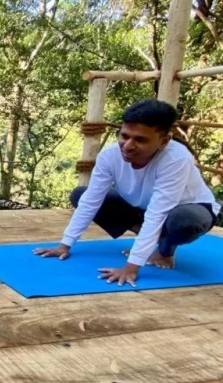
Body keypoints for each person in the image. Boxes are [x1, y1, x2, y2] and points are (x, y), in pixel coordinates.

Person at [34, 99, 221, 287]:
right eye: (124, 136)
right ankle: (147, 237)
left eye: (140, 139)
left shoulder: (177, 158)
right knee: (81, 194)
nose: (128, 145)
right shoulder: (110, 155)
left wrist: (131, 267)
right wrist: (64, 245)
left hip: (188, 211)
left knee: (183, 220)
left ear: (164, 141)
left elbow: (159, 212)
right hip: (142, 208)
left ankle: (165, 250)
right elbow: (91, 200)